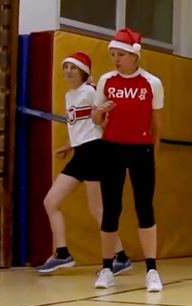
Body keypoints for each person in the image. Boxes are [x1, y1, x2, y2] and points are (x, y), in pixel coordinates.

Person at [35, 52, 132, 275]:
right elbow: (81, 126)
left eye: (73, 67)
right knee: (51, 201)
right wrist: (69, 146)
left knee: (97, 209)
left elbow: (105, 115)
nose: (68, 71)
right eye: (66, 66)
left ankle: (121, 257)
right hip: (80, 153)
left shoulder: (91, 91)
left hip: (96, 151)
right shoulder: (70, 95)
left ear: (83, 72)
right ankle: (62, 253)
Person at [90, 28, 165, 292]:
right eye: (112, 54)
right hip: (111, 149)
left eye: (121, 54)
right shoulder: (106, 80)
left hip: (141, 151)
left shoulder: (151, 83)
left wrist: (153, 155)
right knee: (111, 208)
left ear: (134, 55)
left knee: (145, 208)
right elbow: (96, 119)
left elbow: (157, 125)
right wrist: (101, 111)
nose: (116, 59)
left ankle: (152, 270)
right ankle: (107, 268)